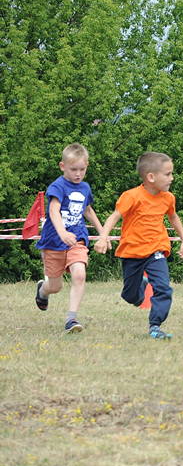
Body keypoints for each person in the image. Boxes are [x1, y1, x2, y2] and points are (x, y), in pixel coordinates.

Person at [94, 152, 183, 339]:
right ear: (151, 177)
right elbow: (114, 216)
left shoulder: (168, 198)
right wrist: (103, 237)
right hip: (132, 252)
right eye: (168, 174)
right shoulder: (131, 196)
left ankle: (155, 326)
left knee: (163, 288)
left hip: (156, 250)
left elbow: (173, 217)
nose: (172, 178)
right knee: (130, 296)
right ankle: (140, 285)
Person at [35, 142, 107, 334]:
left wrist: (103, 233)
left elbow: (88, 210)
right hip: (54, 241)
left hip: (77, 239)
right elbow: (53, 210)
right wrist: (62, 232)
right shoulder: (57, 186)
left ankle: (71, 319)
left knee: (79, 274)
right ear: (62, 166)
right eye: (73, 169)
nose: (78, 173)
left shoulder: (85, 187)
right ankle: (43, 290)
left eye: (82, 169)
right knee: (55, 286)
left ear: (87, 167)